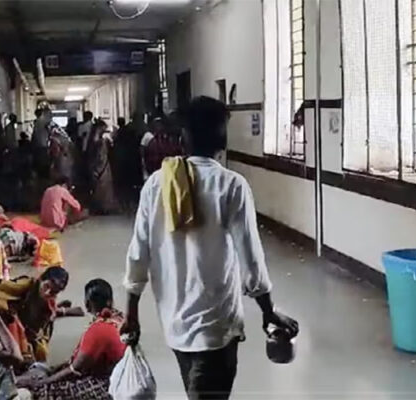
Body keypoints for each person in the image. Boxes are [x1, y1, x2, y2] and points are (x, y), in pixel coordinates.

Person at [122, 96, 299, 400]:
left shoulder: (157, 184)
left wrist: (131, 313)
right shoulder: (231, 185)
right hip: (217, 325)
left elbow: (138, 253)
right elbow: (250, 258)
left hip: (174, 323)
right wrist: (268, 312)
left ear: (183, 138)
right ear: (223, 139)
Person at [27, 279, 126, 400]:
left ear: (88, 303)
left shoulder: (99, 329)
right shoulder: (120, 318)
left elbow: (75, 369)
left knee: (44, 390)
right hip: (120, 378)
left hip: (108, 384)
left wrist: (43, 382)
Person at [0, 266, 71, 362]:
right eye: (46, 286)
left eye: (54, 292)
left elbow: (44, 330)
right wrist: (8, 308)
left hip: (28, 333)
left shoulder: (49, 306)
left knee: (41, 352)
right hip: (9, 324)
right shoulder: (25, 284)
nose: (47, 293)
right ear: (41, 279)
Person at [87, 119, 119, 214]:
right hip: (102, 167)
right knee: (103, 188)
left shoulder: (94, 141)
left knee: (99, 188)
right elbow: (101, 156)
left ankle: (100, 207)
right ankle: (104, 207)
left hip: (97, 167)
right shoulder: (101, 142)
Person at [33, 108, 53, 179]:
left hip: (39, 143)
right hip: (43, 143)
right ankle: (45, 175)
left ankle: (41, 175)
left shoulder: (37, 122)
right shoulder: (43, 121)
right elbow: (49, 130)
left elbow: (34, 134)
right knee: (44, 159)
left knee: (41, 160)